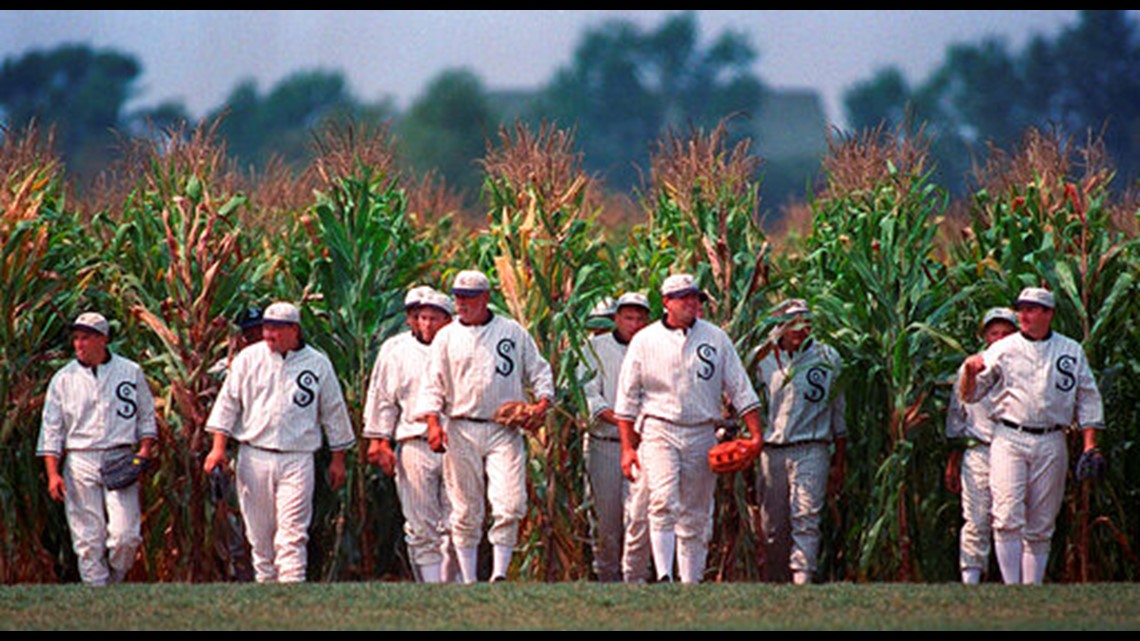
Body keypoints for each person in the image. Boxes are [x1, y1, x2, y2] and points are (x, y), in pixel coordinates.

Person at [615, 273, 763, 584]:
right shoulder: (645, 340)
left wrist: (756, 435)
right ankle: (666, 574)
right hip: (659, 427)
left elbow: (740, 388)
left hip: (702, 430)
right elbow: (626, 399)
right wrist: (628, 447)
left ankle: (690, 582)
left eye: (695, 297)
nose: (692, 303)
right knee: (663, 500)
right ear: (667, 302)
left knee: (696, 512)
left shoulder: (715, 338)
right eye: (684, 298)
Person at [414, 269, 554, 583]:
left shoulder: (512, 332)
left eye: (468, 297)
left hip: (504, 429)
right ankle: (469, 579)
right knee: (464, 508)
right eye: (458, 297)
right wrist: (433, 424)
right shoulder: (447, 337)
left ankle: (499, 574)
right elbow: (432, 385)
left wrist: (542, 404)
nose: (461, 303)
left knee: (510, 503)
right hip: (461, 427)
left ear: (486, 298)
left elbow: (540, 371)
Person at [202, 301, 356, 584]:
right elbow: (227, 405)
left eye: (275, 329)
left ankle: (292, 592)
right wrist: (218, 448)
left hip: (298, 457)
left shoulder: (317, 363)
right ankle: (268, 595)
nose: (268, 335)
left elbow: (334, 412)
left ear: (294, 330)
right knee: (259, 537)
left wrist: (338, 460)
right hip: (254, 455)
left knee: (292, 534)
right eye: (266, 328)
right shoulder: (249, 360)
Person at [960, 287, 1104, 584]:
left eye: (1032, 309)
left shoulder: (1070, 350)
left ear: (1048, 314)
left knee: (1041, 521)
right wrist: (971, 373)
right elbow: (971, 396)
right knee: (1007, 515)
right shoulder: (1003, 348)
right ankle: (1013, 588)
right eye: (1021, 309)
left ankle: (1033, 587)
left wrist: (1091, 445)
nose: (1024, 315)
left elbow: (1088, 398)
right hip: (1010, 436)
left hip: (1052, 438)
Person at [37, 311, 157, 585]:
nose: (79, 344)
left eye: (86, 338)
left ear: (103, 339)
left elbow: (147, 415)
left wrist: (144, 452)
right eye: (76, 338)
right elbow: (52, 429)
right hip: (80, 458)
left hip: (120, 455)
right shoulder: (63, 379)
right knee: (88, 537)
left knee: (126, 536)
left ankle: (113, 581)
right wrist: (53, 473)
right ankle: (96, 591)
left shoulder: (130, 371)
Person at [363, 287, 458, 583]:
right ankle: (430, 586)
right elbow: (382, 398)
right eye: (419, 317)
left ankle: (454, 586)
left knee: (457, 522)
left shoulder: (462, 344)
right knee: (420, 524)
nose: (425, 324)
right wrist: (378, 441)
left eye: (433, 318)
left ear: (448, 319)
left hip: (458, 440)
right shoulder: (396, 350)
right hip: (414, 441)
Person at [755, 299, 847, 585]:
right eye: (793, 321)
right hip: (771, 452)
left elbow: (838, 412)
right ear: (778, 325)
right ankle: (777, 580)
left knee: (806, 516)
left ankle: (802, 580)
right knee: (772, 526)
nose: (800, 328)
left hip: (812, 447)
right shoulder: (761, 359)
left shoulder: (827, 356)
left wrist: (839, 461)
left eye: (805, 321)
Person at [577, 291, 652, 582]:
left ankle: (638, 579)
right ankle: (607, 578)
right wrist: (623, 423)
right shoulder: (595, 347)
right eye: (628, 317)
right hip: (604, 445)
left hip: (644, 445)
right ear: (616, 318)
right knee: (606, 521)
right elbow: (589, 396)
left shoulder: (653, 347)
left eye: (640, 319)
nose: (634, 324)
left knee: (639, 515)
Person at [944, 307, 1018, 584]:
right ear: (984, 335)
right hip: (979, 449)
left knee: (1011, 516)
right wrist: (953, 456)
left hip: (1013, 446)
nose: (999, 338)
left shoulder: (1023, 366)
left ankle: (1017, 580)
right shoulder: (970, 368)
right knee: (975, 515)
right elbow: (957, 416)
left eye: (1006, 333)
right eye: (993, 332)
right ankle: (971, 577)